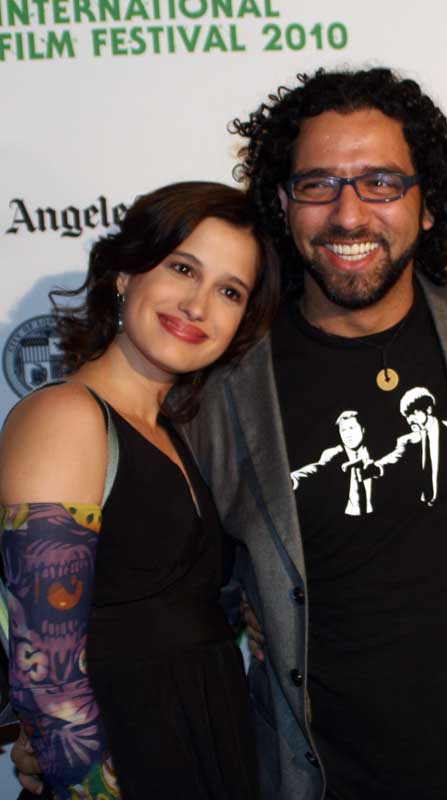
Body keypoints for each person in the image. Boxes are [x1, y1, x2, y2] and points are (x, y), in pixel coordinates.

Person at [183, 67, 447, 800]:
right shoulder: (222, 382)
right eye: (318, 185)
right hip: (325, 782)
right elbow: (173, 591)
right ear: (282, 203)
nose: (349, 214)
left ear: (427, 204)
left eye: (381, 183)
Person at [0, 181, 278, 799]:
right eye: (183, 268)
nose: (198, 305)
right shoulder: (66, 418)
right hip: (121, 765)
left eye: (229, 291)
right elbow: (46, 678)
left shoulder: (172, 433)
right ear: (126, 273)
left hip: (204, 745)